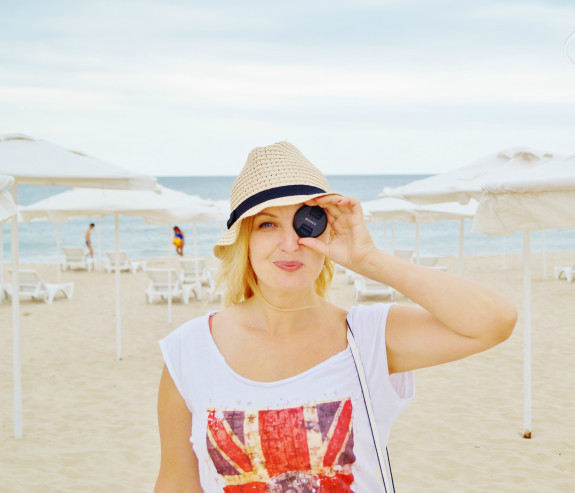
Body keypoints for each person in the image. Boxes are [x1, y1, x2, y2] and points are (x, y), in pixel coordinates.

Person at [155, 141, 517, 492]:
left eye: (303, 223)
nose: (290, 244)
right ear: (244, 240)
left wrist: (367, 258)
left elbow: (495, 321)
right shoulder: (189, 350)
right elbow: (176, 483)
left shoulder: (368, 336)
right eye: (267, 224)